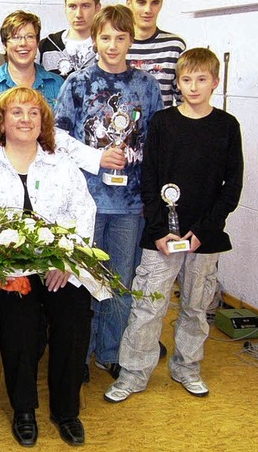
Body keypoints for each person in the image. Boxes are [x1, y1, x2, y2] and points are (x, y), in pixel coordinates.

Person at [104, 48, 244, 402]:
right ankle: (133, 373)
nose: (193, 87)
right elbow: (149, 179)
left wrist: (203, 232)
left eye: (201, 80)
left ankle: (187, 367)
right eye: (186, 80)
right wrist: (158, 228)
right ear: (177, 83)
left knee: (196, 309)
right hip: (162, 237)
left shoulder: (227, 126)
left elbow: (232, 187)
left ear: (215, 82)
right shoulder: (163, 123)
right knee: (148, 306)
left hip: (204, 238)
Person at [0, 87, 94, 447]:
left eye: (33, 113)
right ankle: (24, 410)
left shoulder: (62, 165)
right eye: (16, 112)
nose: (25, 119)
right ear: (1, 123)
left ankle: (66, 411)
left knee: (74, 314)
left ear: (43, 122)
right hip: (5, 268)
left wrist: (65, 262)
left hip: (58, 265)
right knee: (19, 319)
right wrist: (5, 267)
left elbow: (84, 213)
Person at [55, 5, 164, 380]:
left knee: (119, 281)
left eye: (121, 37)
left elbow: (156, 145)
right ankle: (78, 354)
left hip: (130, 205)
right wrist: (96, 157)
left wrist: (151, 201)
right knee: (83, 282)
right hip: (86, 202)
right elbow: (56, 137)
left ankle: (109, 351)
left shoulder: (147, 88)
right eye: (105, 37)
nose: (113, 45)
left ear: (131, 40)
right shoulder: (78, 83)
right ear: (94, 39)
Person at [0, 10, 63, 157]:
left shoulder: (57, 84)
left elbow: (65, 135)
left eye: (29, 37)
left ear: (37, 42)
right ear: (4, 44)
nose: (23, 43)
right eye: (16, 37)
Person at [126, 0, 186, 108]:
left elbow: (185, 101)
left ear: (161, 4)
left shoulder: (174, 46)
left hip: (163, 126)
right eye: (141, 2)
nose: (148, 10)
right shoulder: (115, 45)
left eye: (155, 3)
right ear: (129, 4)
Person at [38, 0, 101, 79]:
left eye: (85, 6)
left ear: (97, 8)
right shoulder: (47, 46)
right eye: (72, 6)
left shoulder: (107, 46)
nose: (78, 14)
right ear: (65, 8)